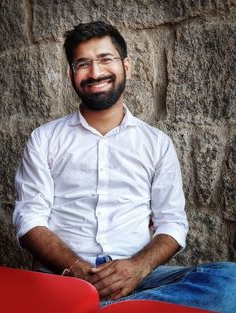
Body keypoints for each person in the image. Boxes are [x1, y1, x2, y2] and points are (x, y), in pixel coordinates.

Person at [13, 21, 236, 312]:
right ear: (71, 74)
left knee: (230, 279)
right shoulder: (44, 139)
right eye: (83, 63)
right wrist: (76, 269)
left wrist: (137, 268)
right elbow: (30, 219)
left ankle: (102, 308)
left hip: (140, 279)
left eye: (106, 59)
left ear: (126, 66)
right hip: (64, 277)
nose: (95, 72)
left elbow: (172, 224)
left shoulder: (156, 143)